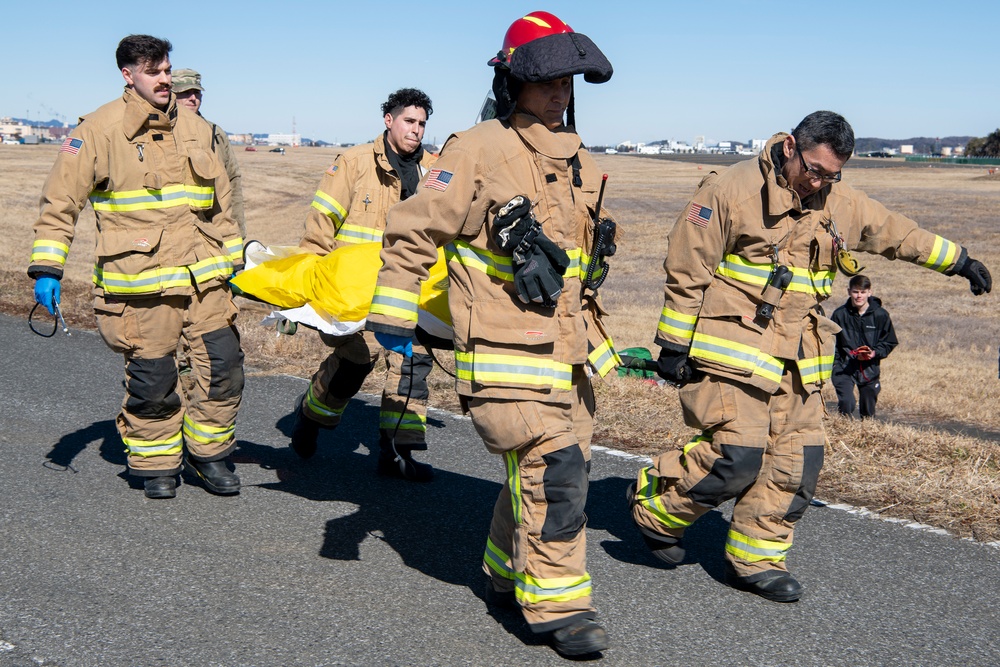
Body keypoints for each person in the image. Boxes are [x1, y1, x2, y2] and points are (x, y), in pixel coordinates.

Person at [628, 110, 991, 603]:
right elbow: (688, 265)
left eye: (833, 174)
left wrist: (959, 261)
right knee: (737, 457)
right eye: (815, 169)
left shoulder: (837, 200)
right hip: (733, 345)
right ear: (790, 148)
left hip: (801, 352)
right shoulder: (730, 190)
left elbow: (896, 233)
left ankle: (756, 558)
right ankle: (655, 507)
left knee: (798, 462)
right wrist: (673, 343)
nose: (820, 181)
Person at [366, 11, 617, 657]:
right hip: (505, 352)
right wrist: (394, 306)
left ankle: (506, 574)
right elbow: (415, 227)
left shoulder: (581, 159)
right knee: (552, 468)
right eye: (548, 81)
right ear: (514, 83)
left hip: (569, 355)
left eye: (569, 81)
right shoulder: (475, 148)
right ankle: (560, 607)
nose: (561, 92)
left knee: (553, 474)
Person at [28, 35, 245, 500]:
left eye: (167, 68)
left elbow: (221, 207)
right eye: (153, 70)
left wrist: (236, 259)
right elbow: (60, 202)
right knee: (154, 380)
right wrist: (48, 267)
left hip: (205, 279)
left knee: (224, 368)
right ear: (129, 75)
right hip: (140, 285)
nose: (165, 78)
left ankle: (209, 455)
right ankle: (156, 462)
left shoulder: (198, 129)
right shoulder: (97, 130)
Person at [289, 88, 439, 482]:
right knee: (356, 362)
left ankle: (396, 454)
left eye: (422, 123)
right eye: (410, 121)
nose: (417, 130)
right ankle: (311, 417)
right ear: (388, 120)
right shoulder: (353, 163)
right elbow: (320, 227)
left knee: (412, 364)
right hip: (355, 290)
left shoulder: (436, 170)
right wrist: (306, 288)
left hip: (410, 287)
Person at [172, 68, 246, 237]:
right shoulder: (160, 133)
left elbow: (232, 181)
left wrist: (238, 232)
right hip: (177, 232)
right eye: (185, 92)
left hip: (214, 229)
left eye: (197, 92)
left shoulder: (215, 133)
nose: (193, 98)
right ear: (170, 94)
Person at [830, 274, 898, 418]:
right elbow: (830, 342)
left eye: (862, 292)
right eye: (855, 292)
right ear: (849, 292)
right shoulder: (839, 315)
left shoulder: (881, 315)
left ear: (869, 292)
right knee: (847, 404)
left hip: (869, 369)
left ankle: (865, 434)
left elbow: (889, 342)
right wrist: (836, 364)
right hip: (844, 368)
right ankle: (843, 433)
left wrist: (874, 353)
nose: (859, 296)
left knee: (868, 412)